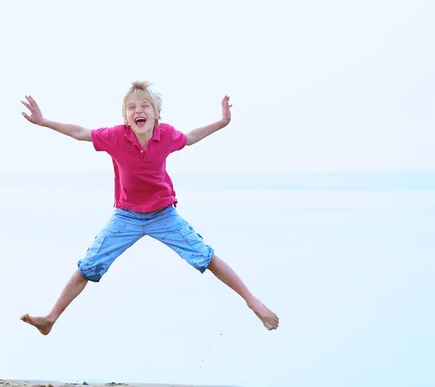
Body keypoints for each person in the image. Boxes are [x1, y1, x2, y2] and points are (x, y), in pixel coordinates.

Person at [19, 81, 279, 335]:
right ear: (125, 117)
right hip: (126, 216)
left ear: (156, 115)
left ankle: (253, 302)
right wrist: (44, 121)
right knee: (87, 267)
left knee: (206, 257)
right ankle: (50, 319)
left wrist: (222, 123)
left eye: (145, 106)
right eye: (131, 107)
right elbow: (79, 132)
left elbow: (190, 138)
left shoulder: (165, 135)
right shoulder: (115, 136)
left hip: (163, 214)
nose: (138, 111)